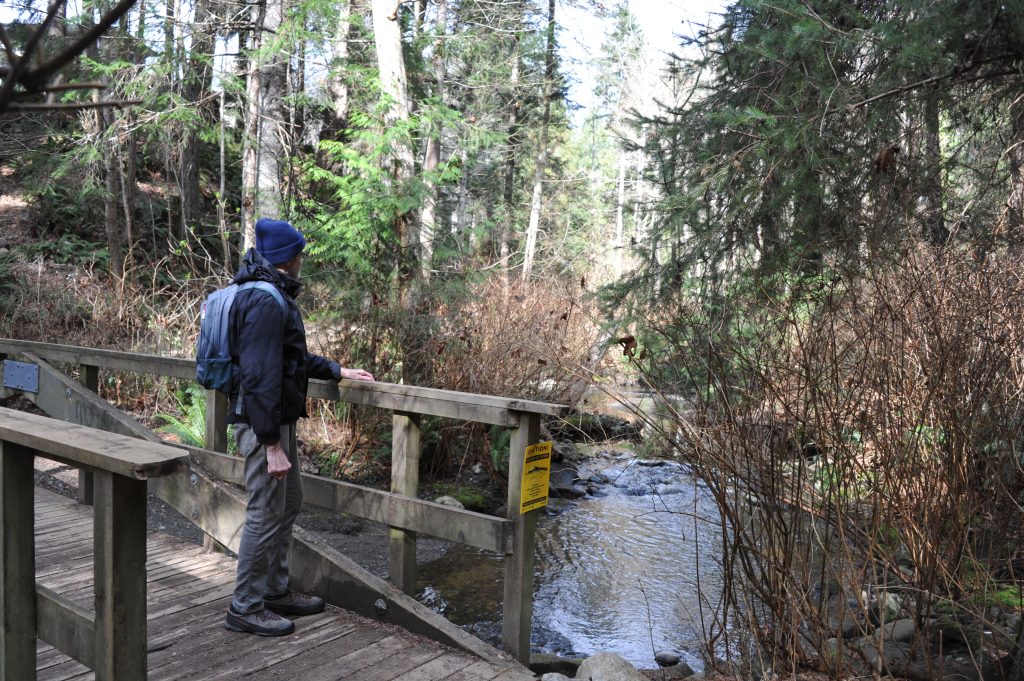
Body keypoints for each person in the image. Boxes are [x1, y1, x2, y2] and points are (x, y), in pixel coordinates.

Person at [224, 217, 374, 636]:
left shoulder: (271, 295)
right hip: (262, 425)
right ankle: (245, 607)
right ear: (289, 258)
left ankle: (274, 589)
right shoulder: (265, 301)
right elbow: (257, 375)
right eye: (300, 253)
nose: (302, 259)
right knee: (264, 512)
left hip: (275, 421)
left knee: (287, 505)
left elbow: (289, 359)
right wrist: (270, 443)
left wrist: (336, 368)